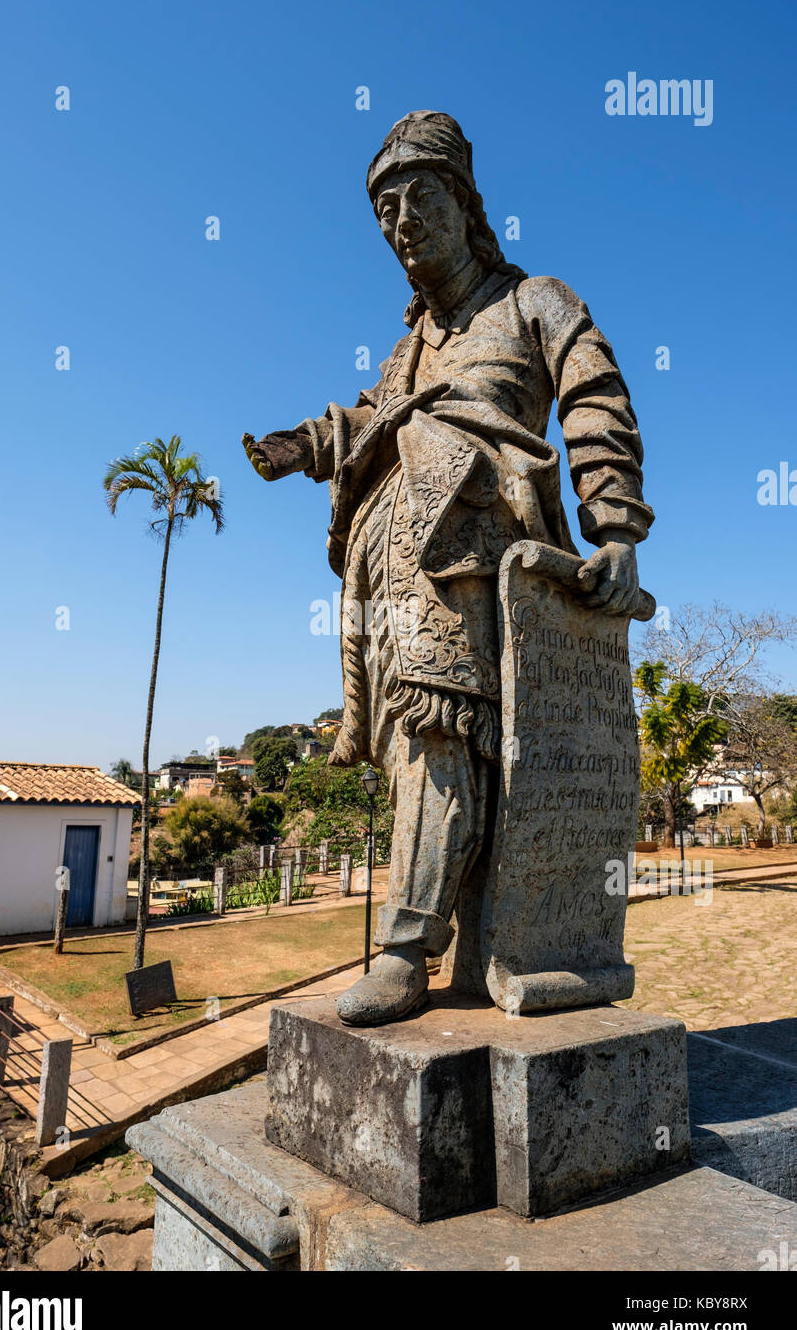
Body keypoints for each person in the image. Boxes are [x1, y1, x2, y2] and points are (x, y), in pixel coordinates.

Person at [243, 111, 653, 1025]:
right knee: (420, 748)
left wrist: (615, 526)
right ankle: (461, 951)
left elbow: (594, 400)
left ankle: (403, 950)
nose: (399, 222)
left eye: (416, 197)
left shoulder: (534, 300)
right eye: (383, 209)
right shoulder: (408, 348)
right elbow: (366, 421)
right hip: (385, 559)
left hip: (479, 545)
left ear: (464, 203)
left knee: (440, 730)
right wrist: (304, 445)